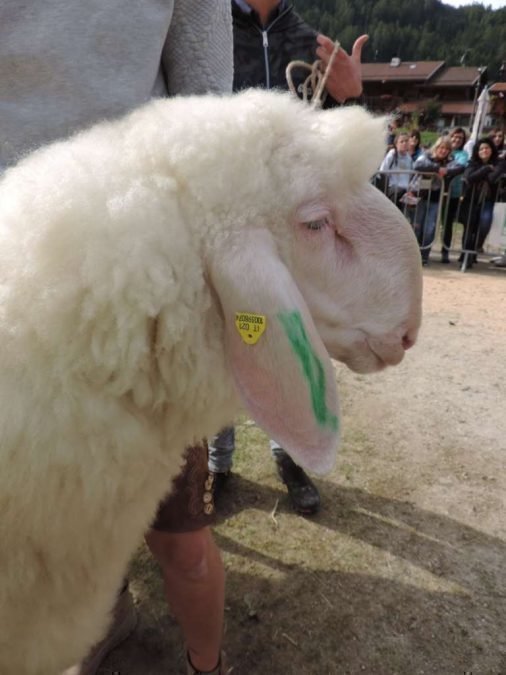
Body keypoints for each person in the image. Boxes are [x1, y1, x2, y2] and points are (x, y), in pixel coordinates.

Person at [0, 3, 233, 674]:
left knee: (181, 542)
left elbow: (209, 120)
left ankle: (206, 665)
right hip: (14, 312)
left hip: (140, 310)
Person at [209, 0, 368, 517]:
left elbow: (335, 147)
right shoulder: (205, 27)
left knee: (297, 337)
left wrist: (351, 97)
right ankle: (218, 462)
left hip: (292, 230)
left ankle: (292, 455)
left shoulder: (312, 42)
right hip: (223, 220)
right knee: (221, 337)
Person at [410, 136, 465, 266]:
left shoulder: (450, 161)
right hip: (420, 196)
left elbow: (460, 168)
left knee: (430, 228)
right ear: (436, 147)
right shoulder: (426, 156)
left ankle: (424, 256)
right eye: (441, 147)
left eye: (446, 148)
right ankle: (413, 255)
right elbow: (417, 165)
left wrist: (445, 170)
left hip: (436, 200)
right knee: (417, 227)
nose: (443, 150)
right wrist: (437, 169)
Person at [460, 137, 506, 270]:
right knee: (469, 228)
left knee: (484, 223)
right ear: (477, 151)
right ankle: (466, 257)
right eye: (481, 149)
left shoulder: (500, 163)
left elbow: (493, 179)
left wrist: (480, 174)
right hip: (470, 200)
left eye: (487, 148)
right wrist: (486, 169)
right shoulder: (472, 163)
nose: (484, 151)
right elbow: (469, 177)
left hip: (488, 200)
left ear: (492, 149)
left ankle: (475, 248)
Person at [440, 127, 469, 263]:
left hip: (453, 193)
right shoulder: (442, 148)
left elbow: (460, 167)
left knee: (447, 224)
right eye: (454, 137)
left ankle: (445, 251)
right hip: (436, 192)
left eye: (460, 138)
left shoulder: (462, 154)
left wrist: (443, 169)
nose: (456, 140)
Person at [378, 131, 414, 208]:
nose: (404, 143)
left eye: (406, 141)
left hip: (405, 191)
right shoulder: (392, 154)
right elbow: (382, 170)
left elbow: (411, 176)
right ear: (396, 144)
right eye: (401, 141)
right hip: (393, 189)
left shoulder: (409, 158)